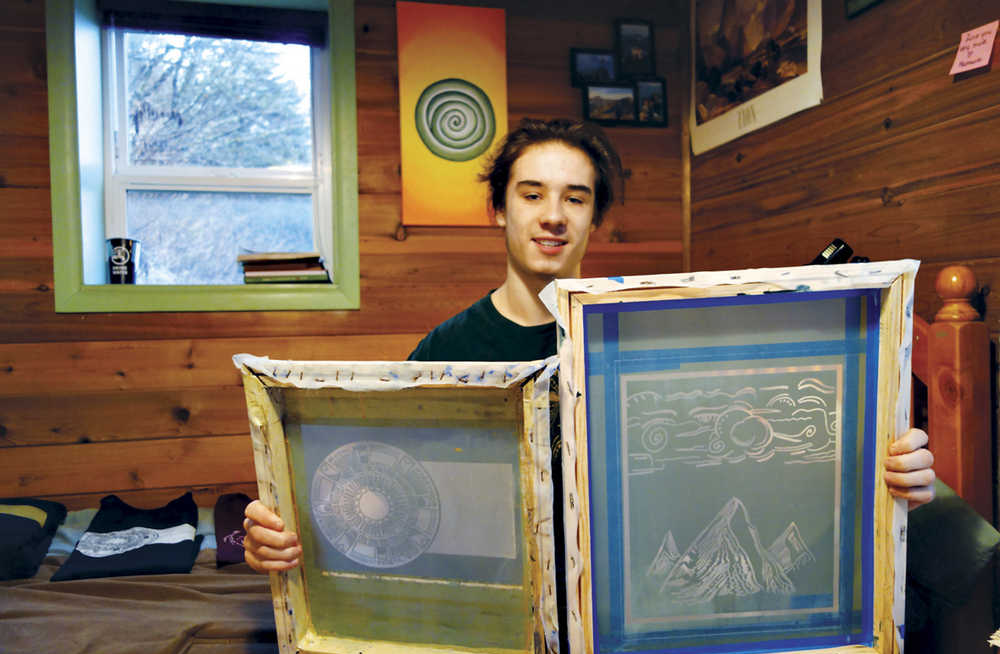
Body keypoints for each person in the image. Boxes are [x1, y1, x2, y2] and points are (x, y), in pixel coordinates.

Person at [243, 118, 935, 572]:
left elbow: (745, 458)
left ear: (595, 216)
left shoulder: (649, 333)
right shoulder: (443, 351)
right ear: (498, 208)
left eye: (575, 197)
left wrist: (890, 468)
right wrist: (277, 535)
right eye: (532, 193)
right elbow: (369, 490)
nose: (552, 215)